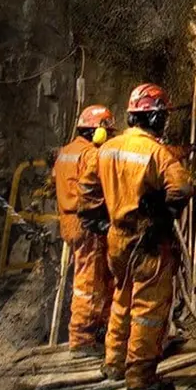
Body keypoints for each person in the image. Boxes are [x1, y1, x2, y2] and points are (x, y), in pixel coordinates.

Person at [78, 83, 194, 390]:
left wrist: (97, 218)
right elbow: (183, 189)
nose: (165, 122)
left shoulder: (107, 148)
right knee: (149, 308)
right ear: (154, 117)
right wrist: (162, 216)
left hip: (117, 238)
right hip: (148, 240)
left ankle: (114, 362)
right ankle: (141, 379)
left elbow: (87, 188)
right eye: (163, 116)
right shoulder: (157, 152)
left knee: (123, 296)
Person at [54, 105, 117, 357]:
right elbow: (98, 188)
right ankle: (81, 339)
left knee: (96, 277)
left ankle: (99, 328)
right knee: (88, 282)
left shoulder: (65, 152)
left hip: (68, 220)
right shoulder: (91, 155)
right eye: (107, 132)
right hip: (86, 222)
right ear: (98, 131)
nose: (109, 137)